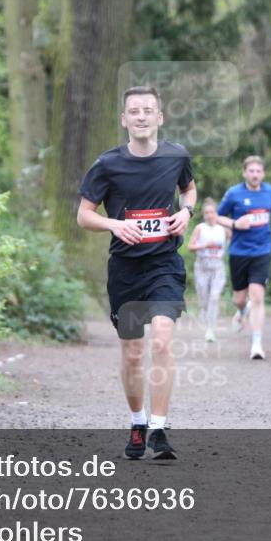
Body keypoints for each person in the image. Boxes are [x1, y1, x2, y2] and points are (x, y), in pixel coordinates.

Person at [76, 85, 197, 460]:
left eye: (148, 110)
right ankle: (138, 421)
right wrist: (114, 225)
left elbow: (189, 191)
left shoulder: (177, 156)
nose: (142, 116)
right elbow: (83, 215)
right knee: (132, 353)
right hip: (125, 269)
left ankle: (160, 429)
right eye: (134, 111)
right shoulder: (107, 164)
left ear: (159, 117)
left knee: (162, 339)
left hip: (163, 263)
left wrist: (185, 213)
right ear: (124, 119)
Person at [216, 156, 271, 360]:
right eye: (251, 171)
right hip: (239, 252)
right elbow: (218, 217)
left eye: (258, 171)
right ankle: (241, 309)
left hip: (262, 251)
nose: (255, 174)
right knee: (239, 298)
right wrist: (236, 224)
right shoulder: (234, 193)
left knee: (257, 296)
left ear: (263, 173)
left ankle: (256, 344)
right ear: (244, 172)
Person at [188, 198, 229, 343]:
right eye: (206, 213)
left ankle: (210, 329)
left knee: (214, 297)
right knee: (204, 299)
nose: (209, 215)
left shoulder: (223, 229)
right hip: (202, 267)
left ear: (216, 213)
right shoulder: (200, 228)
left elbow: (233, 241)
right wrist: (204, 245)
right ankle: (204, 311)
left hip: (218, 267)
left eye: (211, 212)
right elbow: (190, 247)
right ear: (203, 214)